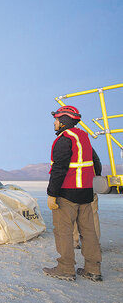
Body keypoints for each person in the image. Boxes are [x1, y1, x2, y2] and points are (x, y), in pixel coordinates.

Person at [43, 106, 103, 282]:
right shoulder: (83, 137)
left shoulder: (64, 140)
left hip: (67, 194)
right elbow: (95, 163)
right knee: (89, 232)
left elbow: (59, 169)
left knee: (63, 232)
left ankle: (66, 268)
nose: (54, 122)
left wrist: (52, 194)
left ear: (63, 122)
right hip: (86, 193)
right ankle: (93, 269)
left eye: (56, 119)